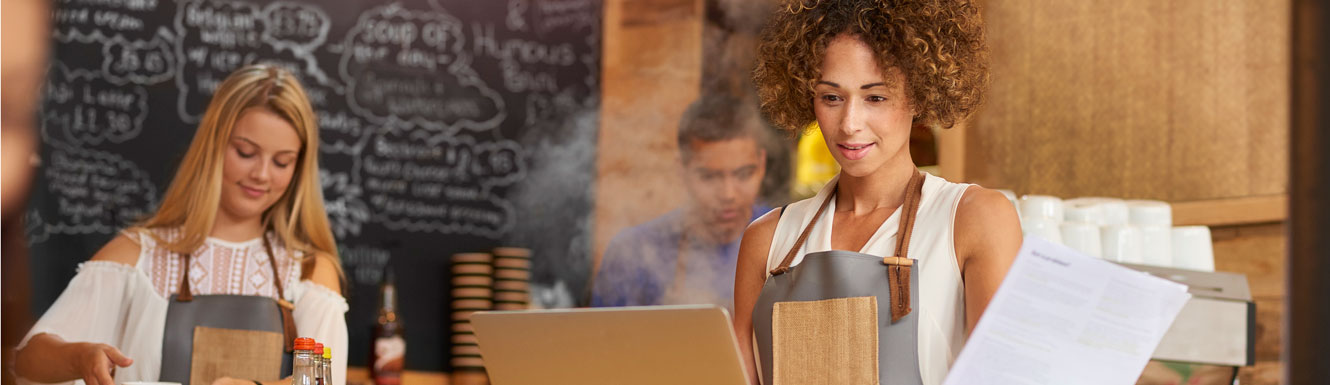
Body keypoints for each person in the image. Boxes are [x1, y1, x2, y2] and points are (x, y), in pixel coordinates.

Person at [733, 1, 1021, 384]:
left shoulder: (974, 219)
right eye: (832, 97)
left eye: (876, 98)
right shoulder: (768, 240)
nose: (850, 124)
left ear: (918, 94)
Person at [13, 64, 349, 385]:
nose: (261, 174)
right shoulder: (137, 256)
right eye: (246, 152)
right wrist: (79, 357)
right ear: (213, 147)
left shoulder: (309, 273)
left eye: (281, 162)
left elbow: (320, 382)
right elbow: (25, 362)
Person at [593, 95, 771, 312]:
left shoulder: (790, 243)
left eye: (743, 174)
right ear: (681, 169)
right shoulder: (634, 253)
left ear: (762, 165)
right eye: (709, 177)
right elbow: (604, 342)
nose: (728, 194)